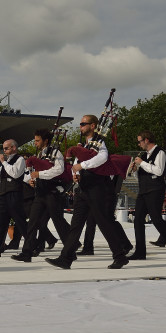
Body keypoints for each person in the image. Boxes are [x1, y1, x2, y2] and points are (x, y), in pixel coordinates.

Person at [45, 115, 129, 269]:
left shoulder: (100, 143)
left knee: (104, 223)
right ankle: (66, 258)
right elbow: (76, 164)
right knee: (76, 224)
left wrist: (82, 165)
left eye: (84, 124)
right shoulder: (85, 145)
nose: (81, 126)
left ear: (93, 126)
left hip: (98, 188)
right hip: (84, 188)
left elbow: (103, 158)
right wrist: (74, 174)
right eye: (80, 124)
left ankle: (120, 256)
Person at [12, 128, 72, 263]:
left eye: (37, 140)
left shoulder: (56, 152)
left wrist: (40, 175)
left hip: (52, 192)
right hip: (40, 193)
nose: (35, 143)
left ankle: (70, 251)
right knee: (32, 222)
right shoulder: (40, 155)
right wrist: (34, 180)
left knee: (59, 223)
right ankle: (27, 252)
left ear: (45, 140)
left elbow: (59, 170)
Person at [128, 131, 166, 260]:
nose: (139, 144)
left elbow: (159, 171)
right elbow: (144, 173)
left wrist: (141, 163)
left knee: (157, 219)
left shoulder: (159, 152)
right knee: (137, 220)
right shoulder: (144, 155)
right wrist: (136, 170)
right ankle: (140, 251)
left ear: (147, 140)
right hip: (143, 190)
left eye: (140, 141)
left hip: (155, 190)